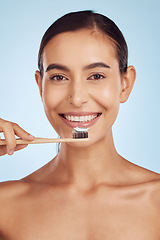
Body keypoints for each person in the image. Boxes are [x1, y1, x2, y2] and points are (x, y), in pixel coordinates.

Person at [0, 10, 160, 240]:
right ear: (40, 86)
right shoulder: (5, 205)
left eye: (96, 76)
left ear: (125, 84)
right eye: (58, 77)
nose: (76, 98)